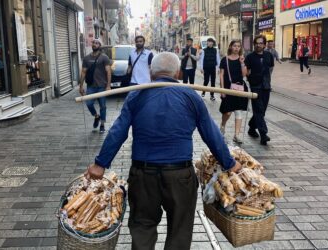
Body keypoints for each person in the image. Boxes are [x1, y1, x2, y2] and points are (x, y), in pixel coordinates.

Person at [84, 52, 242, 250]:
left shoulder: (136, 95)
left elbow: (118, 131)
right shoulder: (190, 96)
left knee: (142, 228)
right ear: (178, 73)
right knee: (179, 232)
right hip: (180, 177)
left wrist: (100, 164)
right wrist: (229, 163)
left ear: (151, 73)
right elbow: (211, 134)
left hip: (143, 177)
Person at [245, 35, 274, 146]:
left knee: (262, 111)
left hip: (266, 86)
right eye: (257, 43)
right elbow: (246, 71)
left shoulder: (269, 55)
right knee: (258, 109)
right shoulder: (250, 57)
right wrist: (251, 79)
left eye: (261, 43)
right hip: (255, 86)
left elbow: (271, 67)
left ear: (264, 45)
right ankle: (263, 134)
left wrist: (267, 77)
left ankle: (252, 127)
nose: (258, 45)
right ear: (254, 44)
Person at [79, 38, 111, 133]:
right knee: (89, 103)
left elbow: (108, 71)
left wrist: (108, 85)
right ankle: (96, 116)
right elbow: (83, 72)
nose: (94, 44)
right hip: (91, 86)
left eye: (97, 43)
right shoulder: (86, 58)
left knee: (103, 106)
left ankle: (102, 124)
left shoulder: (104, 57)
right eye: (93, 42)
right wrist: (81, 86)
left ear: (99, 46)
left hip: (101, 86)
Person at [219, 40, 248, 144]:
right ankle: (223, 125)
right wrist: (222, 90)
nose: (236, 48)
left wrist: (242, 63)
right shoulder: (225, 59)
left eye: (238, 46)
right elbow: (221, 75)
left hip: (240, 87)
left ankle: (236, 135)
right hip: (227, 88)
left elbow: (244, 74)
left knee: (238, 112)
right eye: (234, 46)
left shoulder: (242, 59)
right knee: (227, 111)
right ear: (230, 47)